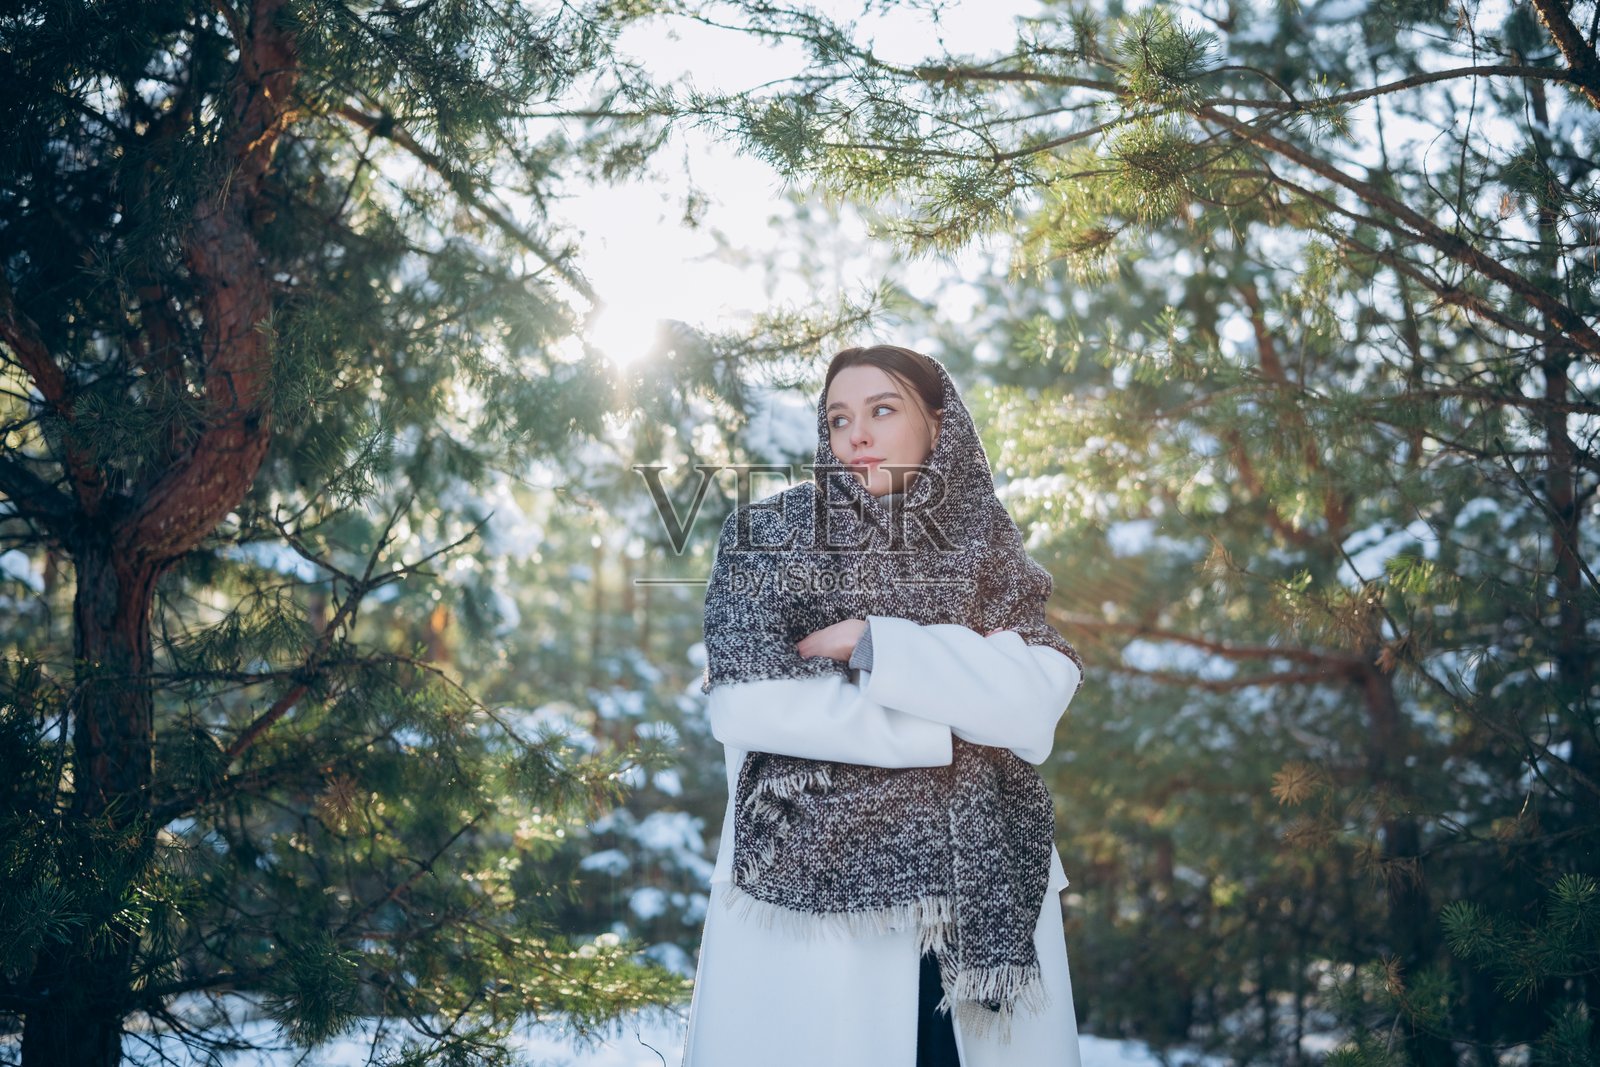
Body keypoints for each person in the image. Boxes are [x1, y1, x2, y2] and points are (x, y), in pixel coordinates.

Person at [682, 346, 1085, 1067]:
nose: (856, 435)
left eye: (883, 410)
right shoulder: (767, 537)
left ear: (940, 423)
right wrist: (955, 717)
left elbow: (1037, 699)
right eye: (839, 418)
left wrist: (875, 644)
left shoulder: (987, 538)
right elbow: (751, 706)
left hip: (975, 889)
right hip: (811, 896)